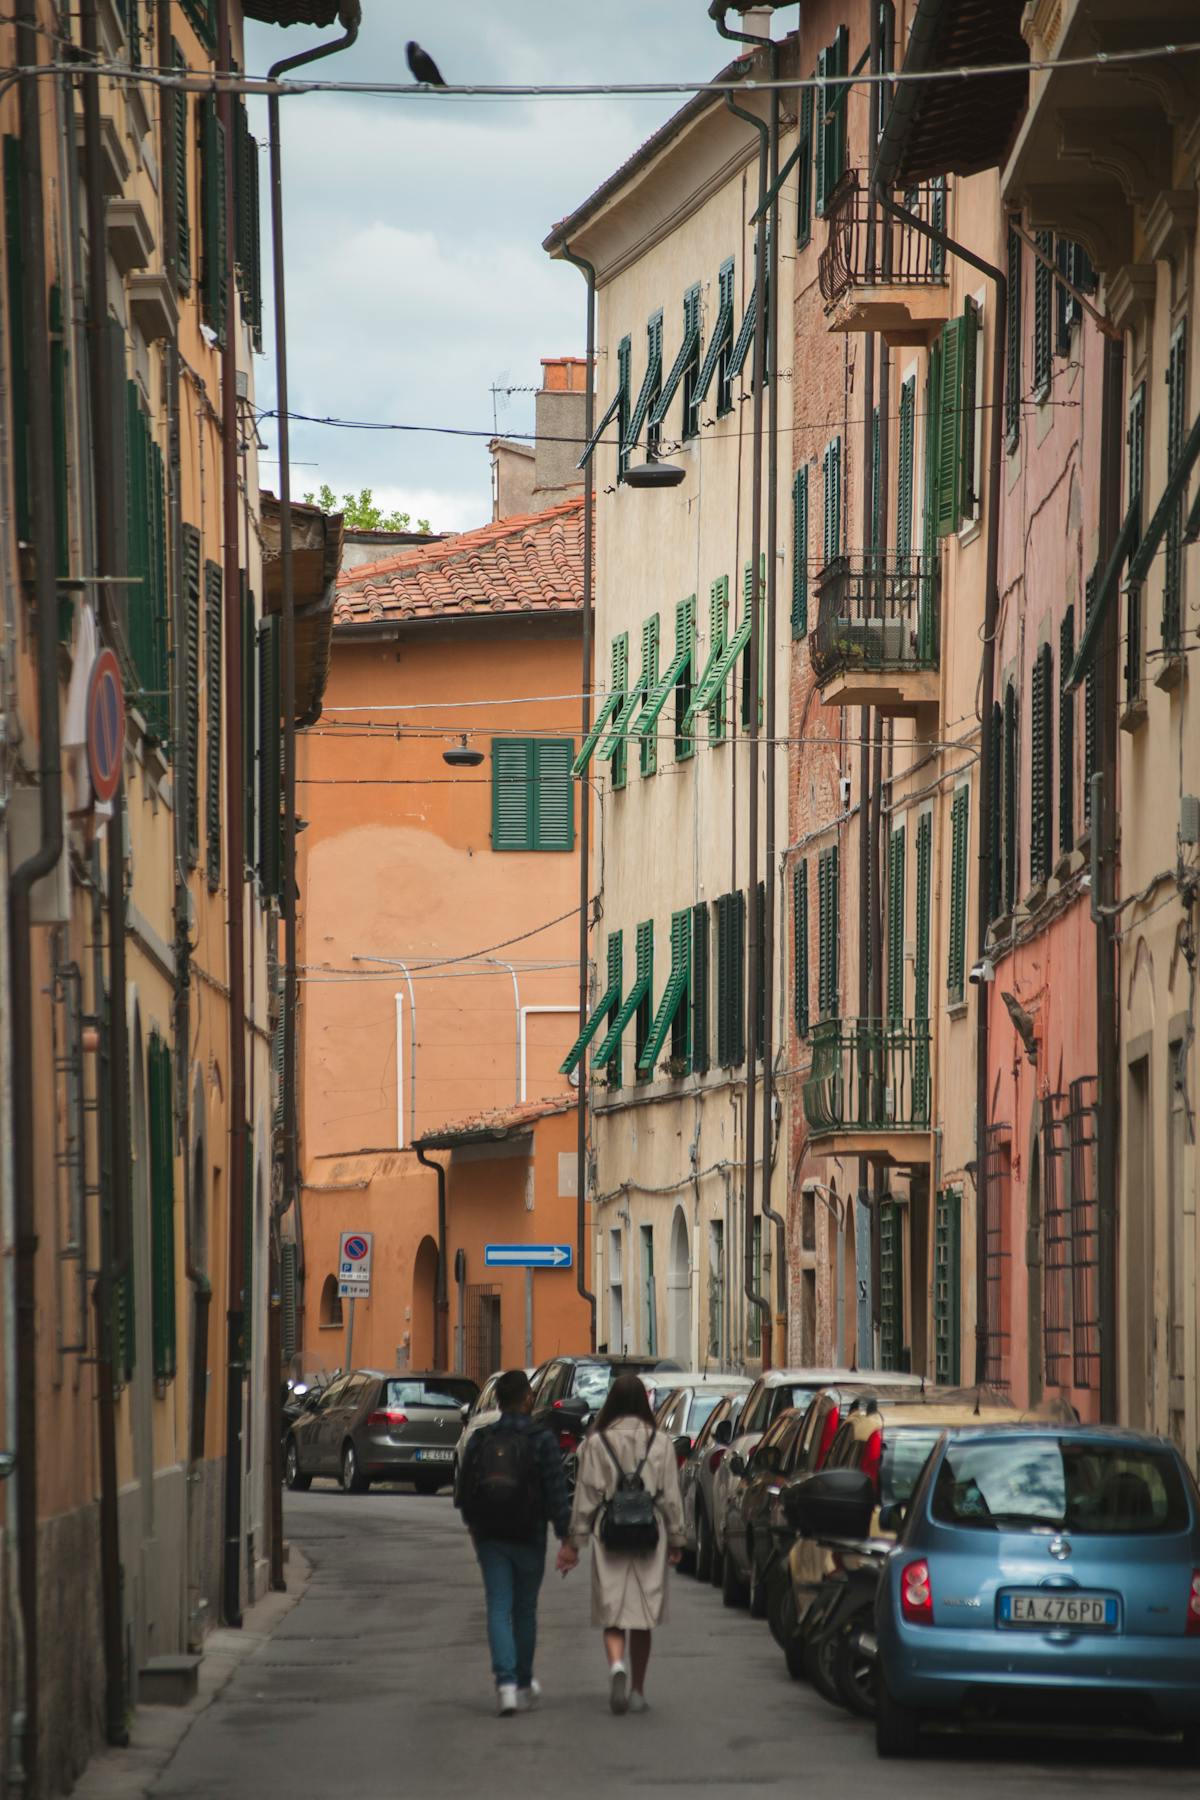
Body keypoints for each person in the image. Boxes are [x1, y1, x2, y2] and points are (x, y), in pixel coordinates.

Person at [556, 1372, 685, 1715]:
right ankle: (639, 1690)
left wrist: (574, 1543)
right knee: (643, 1615)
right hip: (649, 1533)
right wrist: (677, 1537)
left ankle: (616, 1665)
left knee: (613, 1609)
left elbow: (585, 1496)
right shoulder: (660, 1442)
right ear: (644, 1402)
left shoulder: (596, 1444)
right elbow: (671, 1495)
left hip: (609, 1531)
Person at [455, 1368, 572, 1717]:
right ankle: (522, 1682)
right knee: (524, 1609)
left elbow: (464, 1491)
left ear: (499, 1401)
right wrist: (566, 1536)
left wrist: (474, 1527)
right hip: (529, 1533)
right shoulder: (542, 1440)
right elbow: (556, 1492)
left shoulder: (481, 1438)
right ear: (527, 1398)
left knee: (497, 1605)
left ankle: (505, 1684)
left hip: (490, 1534)